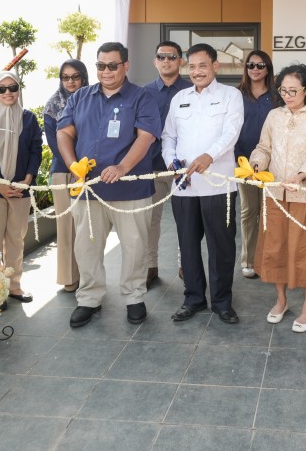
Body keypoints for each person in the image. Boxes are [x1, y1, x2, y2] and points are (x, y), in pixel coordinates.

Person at [56, 42, 160, 328]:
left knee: (135, 246)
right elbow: (64, 132)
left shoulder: (141, 97)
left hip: (130, 190)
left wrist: (122, 167)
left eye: (112, 65)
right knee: (86, 248)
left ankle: (134, 297)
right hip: (89, 190)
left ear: (126, 66)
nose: (105, 71)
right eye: (100, 65)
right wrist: (72, 165)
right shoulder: (80, 98)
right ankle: (89, 298)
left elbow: (146, 136)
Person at [162, 43, 244, 325]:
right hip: (184, 187)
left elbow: (232, 132)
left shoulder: (231, 96)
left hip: (218, 185)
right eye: (192, 66)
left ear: (215, 66)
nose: (197, 72)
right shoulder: (179, 98)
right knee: (187, 245)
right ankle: (193, 298)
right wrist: (171, 162)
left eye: (203, 66)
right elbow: (168, 137)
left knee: (221, 246)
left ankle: (222, 302)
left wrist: (210, 156)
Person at [250, 64, 306, 332]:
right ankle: (281, 300)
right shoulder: (274, 116)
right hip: (275, 193)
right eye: (283, 90)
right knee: (275, 247)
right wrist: (255, 165)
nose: (287, 95)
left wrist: (300, 176)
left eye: (293, 91)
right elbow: (263, 148)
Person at [0, 70, 42, 305]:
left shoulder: (28, 118)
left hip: (19, 188)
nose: (8, 93)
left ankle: (14, 286)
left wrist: (28, 179)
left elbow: (35, 150)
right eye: (1, 89)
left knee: (16, 240)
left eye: (13, 88)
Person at [143, 41, 193, 286]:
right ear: (155, 61)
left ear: (180, 61)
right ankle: (151, 266)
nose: (166, 61)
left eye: (171, 57)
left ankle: (186, 264)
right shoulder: (144, 93)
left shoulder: (193, 90)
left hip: (182, 168)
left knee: (185, 219)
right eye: (161, 57)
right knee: (151, 220)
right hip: (151, 166)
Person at [43, 59, 89, 293]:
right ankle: (70, 277)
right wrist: (76, 168)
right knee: (67, 227)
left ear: (83, 77)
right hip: (64, 172)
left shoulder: (94, 99)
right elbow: (55, 145)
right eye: (65, 77)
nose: (70, 81)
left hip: (92, 172)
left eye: (75, 76)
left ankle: (91, 277)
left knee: (91, 227)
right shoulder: (52, 106)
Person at [235, 50, 275, 279]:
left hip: (273, 164)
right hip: (244, 163)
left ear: (267, 68)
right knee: (249, 211)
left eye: (260, 65)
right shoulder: (236, 95)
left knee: (270, 212)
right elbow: (230, 130)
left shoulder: (277, 96)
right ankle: (249, 260)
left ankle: (268, 259)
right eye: (251, 65)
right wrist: (240, 161)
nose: (255, 69)